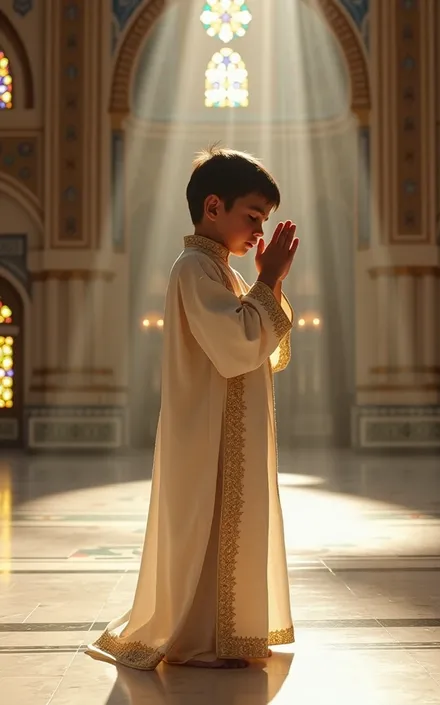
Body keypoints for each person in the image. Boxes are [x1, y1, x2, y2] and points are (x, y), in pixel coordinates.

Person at [86, 147, 299, 671]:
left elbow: (261, 346)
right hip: (205, 433)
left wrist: (268, 280)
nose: (258, 231)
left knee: (227, 528)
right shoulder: (194, 270)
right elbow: (240, 342)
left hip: (229, 432)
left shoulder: (221, 271)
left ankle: (231, 634)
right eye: (252, 217)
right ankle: (198, 641)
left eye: (265, 221)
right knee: (203, 532)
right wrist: (268, 278)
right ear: (212, 206)